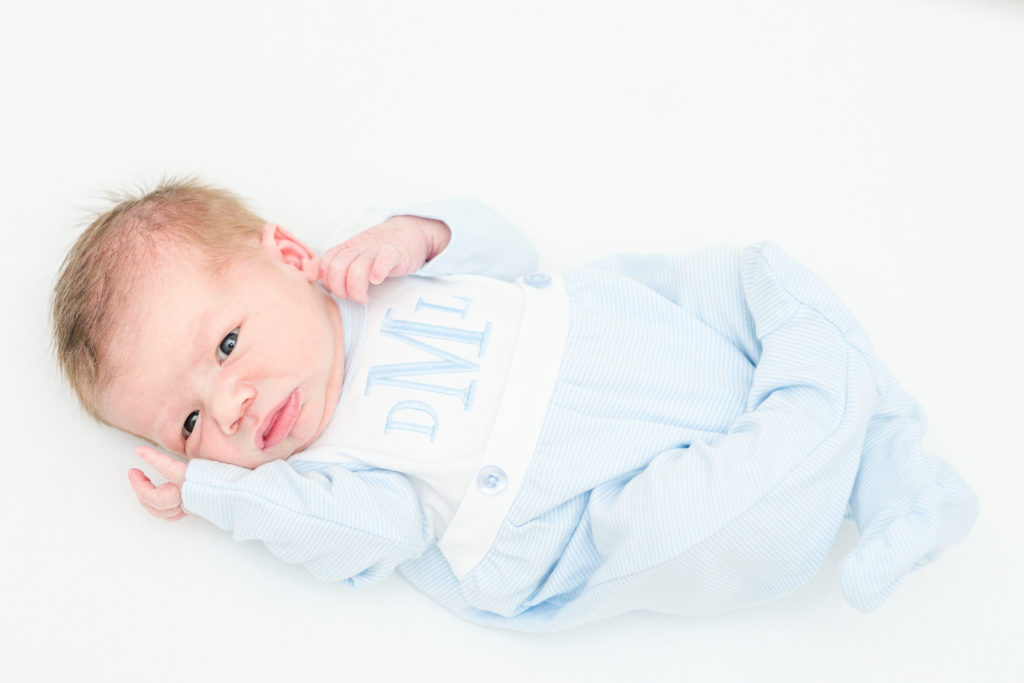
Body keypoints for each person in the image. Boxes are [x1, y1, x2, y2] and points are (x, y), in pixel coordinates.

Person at [51, 179, 978, 632]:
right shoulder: (326, 475)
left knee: (755, 276)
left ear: (291, 257)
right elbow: (374, 538)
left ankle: (891, 472)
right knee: (712, 525)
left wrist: (421, 233)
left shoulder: (370, 273)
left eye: (224, 346)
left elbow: (505, 249)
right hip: (587, 499)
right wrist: (218, 497)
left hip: (632, 339)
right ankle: (840, 435)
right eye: (187, 425)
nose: (232, 407)